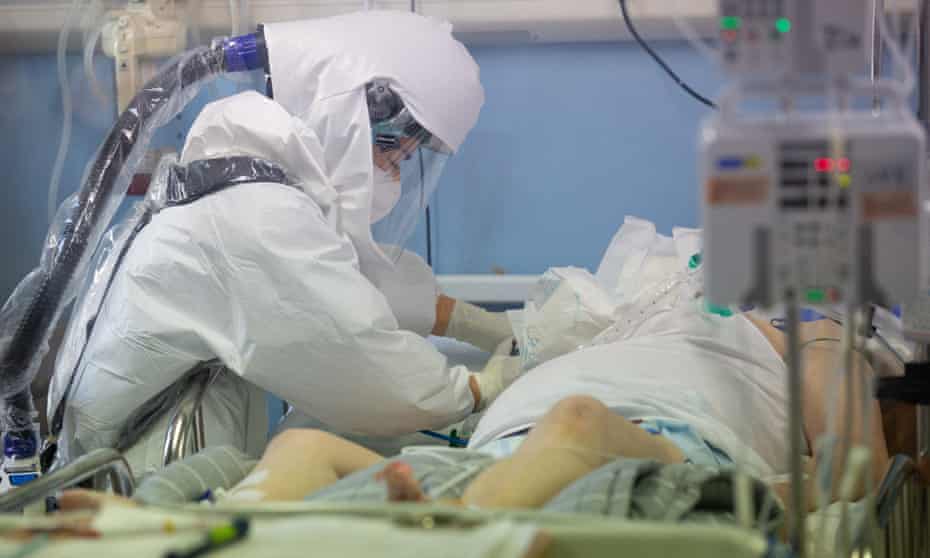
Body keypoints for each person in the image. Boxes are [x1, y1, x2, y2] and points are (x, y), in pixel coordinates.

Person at [45, 11, 518, 479]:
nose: (393, 173)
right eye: (390, 150)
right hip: (137, 468)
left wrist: (473, 322)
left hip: (156, 440)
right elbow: (356, 356)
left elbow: (347, 279)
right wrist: (479, 388)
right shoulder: (255, 214)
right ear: (346, 114)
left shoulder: (262, 186)